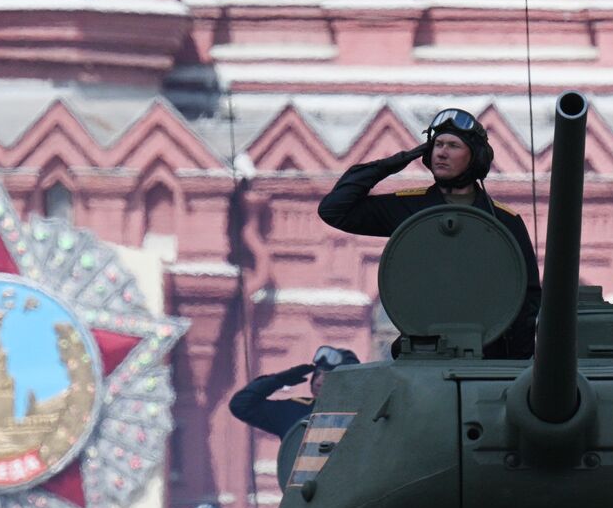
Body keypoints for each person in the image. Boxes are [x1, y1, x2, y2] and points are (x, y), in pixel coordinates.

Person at [317, 107, 540, 359]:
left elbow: (528, 293)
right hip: (422, 351)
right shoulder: (409, 207)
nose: (442, 153)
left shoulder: (504, 221)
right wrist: (393, 163)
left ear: (475, 157)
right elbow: (334, 210)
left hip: (489, 353)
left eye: (453, 146)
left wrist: (516, 361)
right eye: (437, 145)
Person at [229, 345, 360, 438]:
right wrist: (278, 380)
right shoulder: (296, 411)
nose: (319, 380)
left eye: (328, 376)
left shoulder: (361, 414)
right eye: (318, 373)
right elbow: (241, 405)